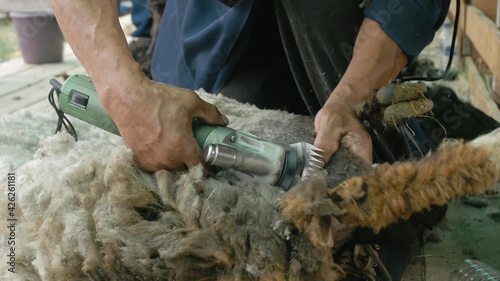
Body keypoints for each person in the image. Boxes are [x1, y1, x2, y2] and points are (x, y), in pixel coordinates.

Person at [50, 0, 451, 279]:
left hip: (336, 41)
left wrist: (352, 97)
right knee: (202, 179)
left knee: (351, 202)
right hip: (206, 30)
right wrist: (123, 91)